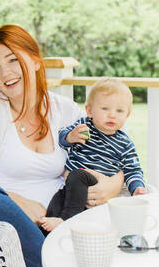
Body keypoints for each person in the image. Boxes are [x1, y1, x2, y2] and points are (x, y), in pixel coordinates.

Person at [0, 24, 125, 267]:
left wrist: (114, 184)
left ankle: (63, 264)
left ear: (36, 61)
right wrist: (17, 200)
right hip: (8, 233)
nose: (5, 73)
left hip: (62, 221)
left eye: (13, 60)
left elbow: (110, 151)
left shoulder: (65, 111)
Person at [39, 78, 148, 232]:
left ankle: (67, 220)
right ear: (89, 111)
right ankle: (54, 231)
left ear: (127, 115)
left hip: (94, 184)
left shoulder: (125, 143)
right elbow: (61, 138)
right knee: (57, 201)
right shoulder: (84, 127)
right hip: (73, 189)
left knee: (78, 175)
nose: (112, 115)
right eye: (105, 108)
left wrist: (137, 188)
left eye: (119, 111)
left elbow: (133, 170)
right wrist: (71, 136)